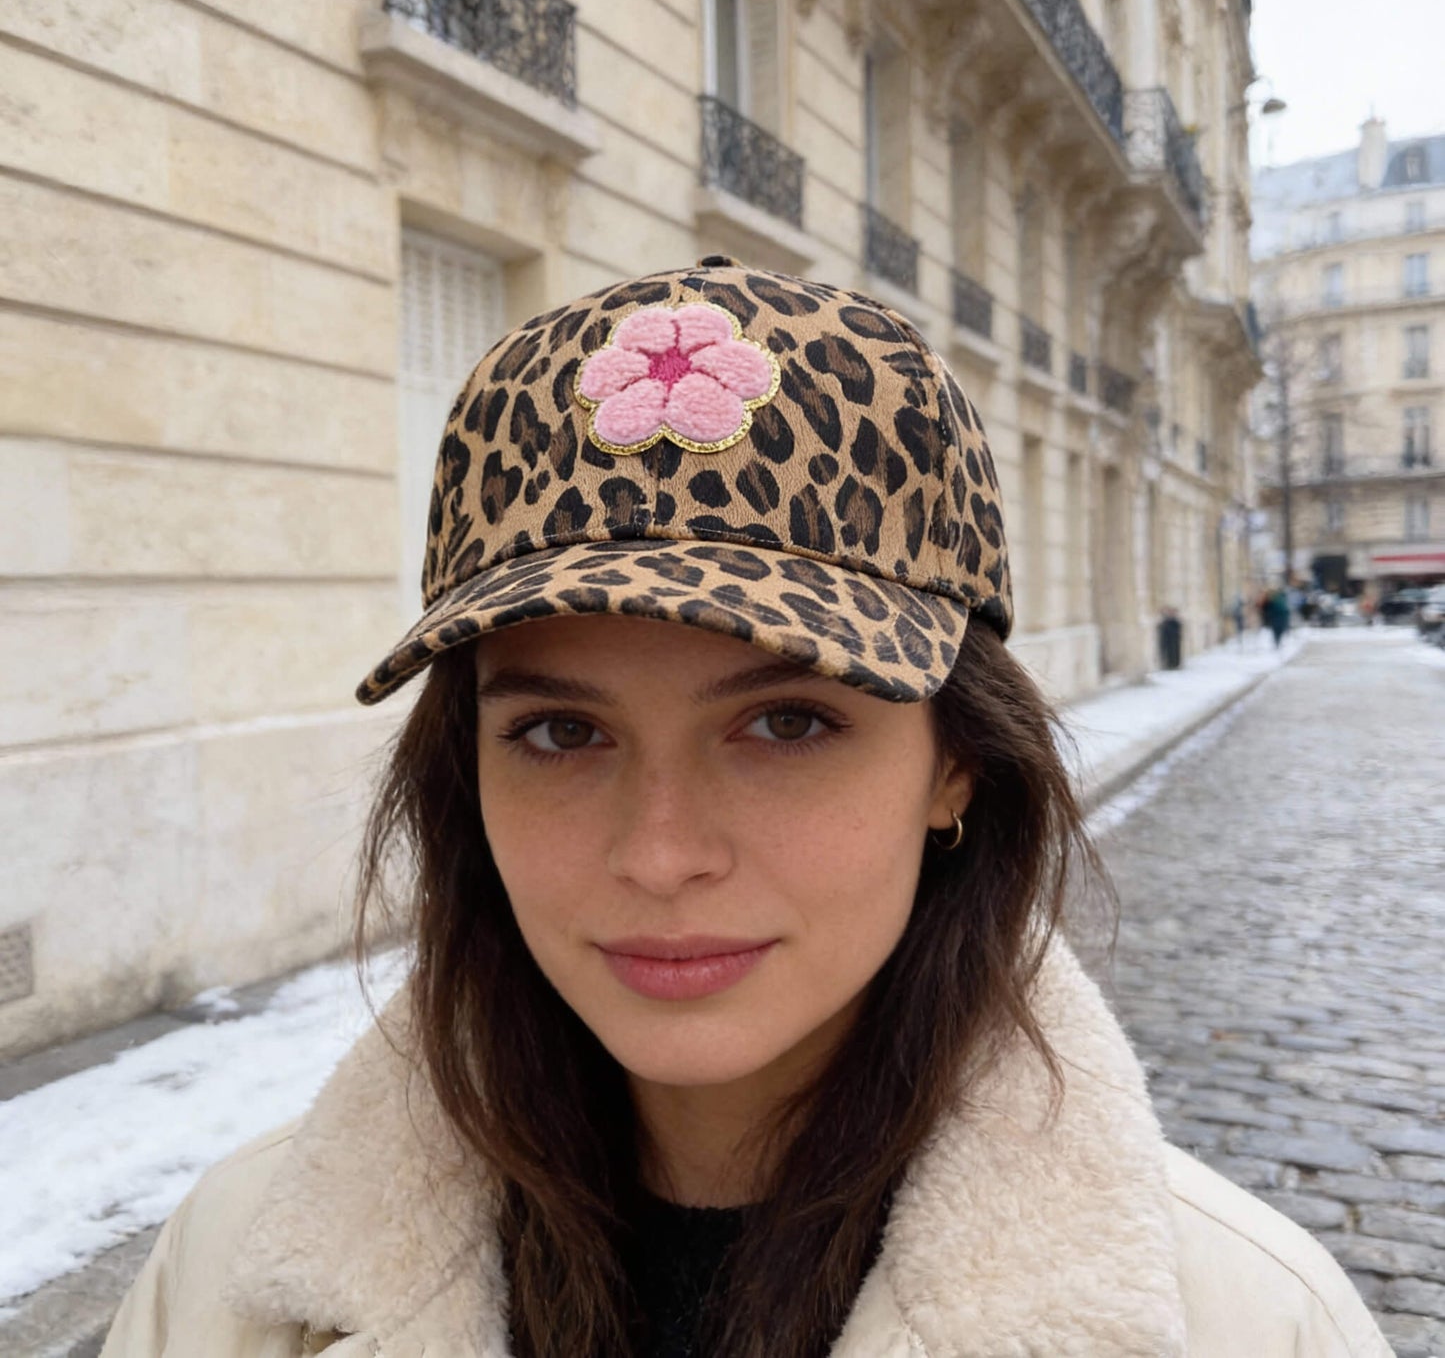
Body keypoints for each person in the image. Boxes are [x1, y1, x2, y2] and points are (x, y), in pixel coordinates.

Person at [101, 259, 1389, 1357]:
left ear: (957, 765)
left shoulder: (1248, 1322)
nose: (660, 855)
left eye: (788, 724)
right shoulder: (230, 1281)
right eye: (560, 732)